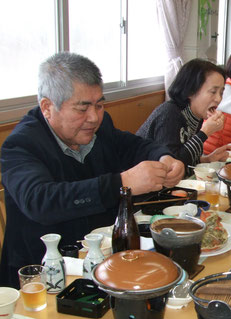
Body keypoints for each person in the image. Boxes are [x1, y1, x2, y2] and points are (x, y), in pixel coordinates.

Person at [0, 52, 185, 288]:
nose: (94, 117)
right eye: (82, 108)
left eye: (99, 105)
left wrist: (165, 157)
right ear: (47, 107)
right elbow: (41, 201)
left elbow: (133, 145)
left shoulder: (100, 125)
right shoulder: (21, 145)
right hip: (44, 277)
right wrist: (121, 182)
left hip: (105, 264)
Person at [137, 59, 229, 176]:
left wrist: (206, 159)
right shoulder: (169, 113)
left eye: (221, 92)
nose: (218, 99)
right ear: (190, 91)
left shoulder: (196, 114)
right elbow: (171, 166)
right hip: (145, 186)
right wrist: (204, 133)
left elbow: (184, 158)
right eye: (213, 92)